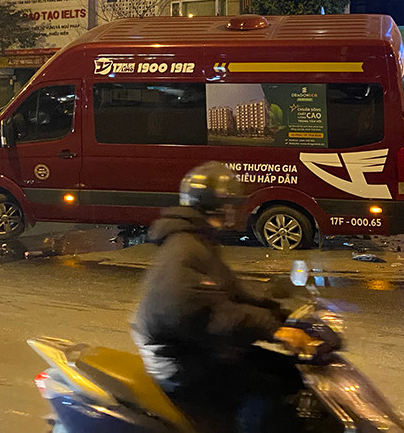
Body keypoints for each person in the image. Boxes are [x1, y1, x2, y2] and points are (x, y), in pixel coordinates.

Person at [132, 163, 314, 432]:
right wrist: (273, 329)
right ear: (213, 205)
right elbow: (208, 314)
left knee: (292, 373)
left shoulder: (199, 241)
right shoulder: (184, 247)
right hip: (180, 362)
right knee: (270, 393)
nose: (233, 209)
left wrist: (284, 319)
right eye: (229, 202)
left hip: (200, 347)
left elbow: (231, 296)